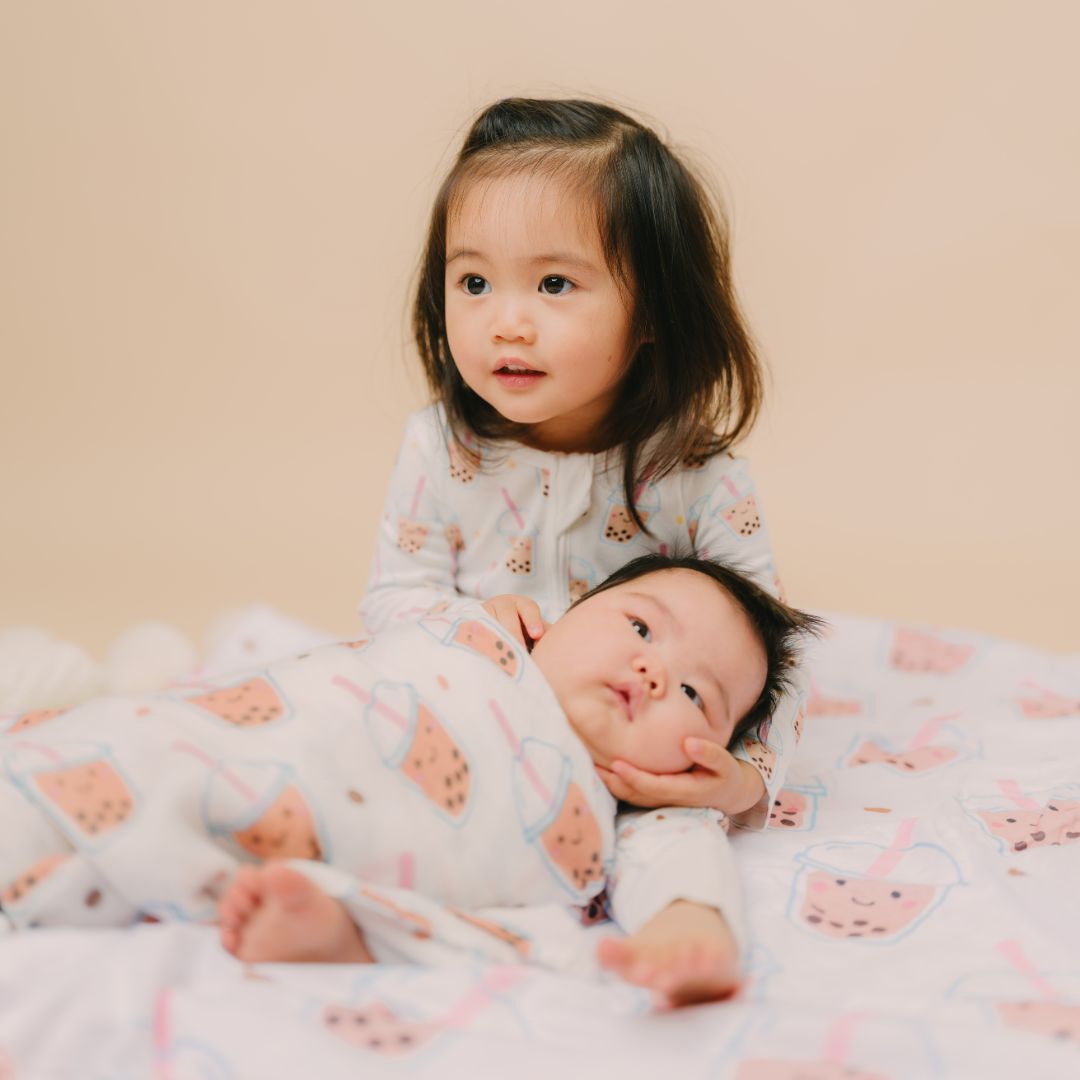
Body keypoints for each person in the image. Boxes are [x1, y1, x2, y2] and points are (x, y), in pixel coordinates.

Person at [360, 98, 807, 998]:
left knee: (676, 834)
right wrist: (471, 623)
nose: (506, 323)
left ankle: (688, 937)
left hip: (622, 766)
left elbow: (770, 659)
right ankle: (343, 920)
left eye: (555, 286)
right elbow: (391, 601)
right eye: (473, 283)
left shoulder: (698, 477)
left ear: (653, 313)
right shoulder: (440, 449)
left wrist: (742, 784)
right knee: (377, 791)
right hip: (473, 725)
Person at [0, 555, 819, 1008]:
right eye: (639, 625)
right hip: (247, 740)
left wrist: (690, 930)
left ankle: (346, 930)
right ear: (560, 616)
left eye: (694, 695)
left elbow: (681, 866)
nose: (652, 669)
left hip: (324, 841)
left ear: (700, 762)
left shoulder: (630, 806)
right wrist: (476, 619)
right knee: (133, 749)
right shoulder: (477, 636)